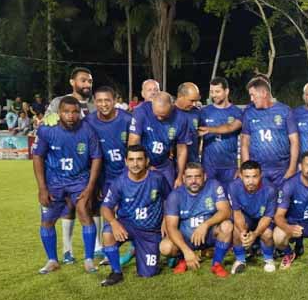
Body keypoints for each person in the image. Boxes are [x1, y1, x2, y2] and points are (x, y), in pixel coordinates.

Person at [31, 97, 102, 275]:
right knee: (47, 221)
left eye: (75, 112)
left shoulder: (88, 130)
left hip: (79, 181)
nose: (71, 116)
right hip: (54, 182)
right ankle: (52, 260)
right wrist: (42, 188)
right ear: (59, 113)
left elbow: (96, 158)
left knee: (85, 214)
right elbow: (38, 157)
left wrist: (89, 187)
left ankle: (88, 260)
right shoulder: (47, 130)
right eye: (66, 112)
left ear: (80, 113)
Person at [43, 67, 97, 263]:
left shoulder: (93, 106)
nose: (87, 85)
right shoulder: (59, 102)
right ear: (72, 82)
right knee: (66, 208)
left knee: (88, 207)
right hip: (60, 170)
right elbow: (46, 128)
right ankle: (67, 250)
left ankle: (94, 249)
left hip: (85, 167)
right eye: (83, 80)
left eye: (90, 81)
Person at [98, 145, 171, 287]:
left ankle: (141, 250)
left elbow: (170, 198)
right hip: (128, 226)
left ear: (147, 161)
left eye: (139, 159)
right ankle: (116, 272)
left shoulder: (157, 179)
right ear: (126, 161)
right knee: (108, 232)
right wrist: (114, 223)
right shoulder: (119, 182)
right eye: (131, 159)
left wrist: (165, 218)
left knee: (148, 274)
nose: (135, 164)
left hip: (150, 231)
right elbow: (106, 207)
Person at [85, 86, 135, 263]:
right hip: (105, 178)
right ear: (94, 102)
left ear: (115, 101)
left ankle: (136, 247)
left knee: (131, 212)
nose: (103, 104)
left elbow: (137, 147)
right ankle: (110, 251)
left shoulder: (128, 119)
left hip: (128, 175)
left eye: (107, 100)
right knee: (109, 213)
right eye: (99, 100)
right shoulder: (88, 122)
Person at [158, 163, 233, 278]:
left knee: (227, 226)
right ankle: (182, 258)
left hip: (208, 234)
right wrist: (186, 251)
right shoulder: (175, 195)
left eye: (197, 176)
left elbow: (226, 211)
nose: (193, 181)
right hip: (186, 238)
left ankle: (217, 264)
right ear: (183, 178)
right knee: (165, 247)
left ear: (205, 176)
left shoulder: (213, 186)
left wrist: (206, 225)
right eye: (189, 177)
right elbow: (171, 227)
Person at [240, 75, 297, 190]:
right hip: (258, 171)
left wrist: (292, 169)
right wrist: (246, 170)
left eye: (253, 95)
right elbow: (244, 143)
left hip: (281, 170)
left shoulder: (285, 111)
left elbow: (295, 141)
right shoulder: (249, 113)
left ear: (264, 93)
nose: (251, 99)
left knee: (282, 205)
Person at [127, 92, 191, 188]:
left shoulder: (181, 118)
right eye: (157, 114)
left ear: (172, 107)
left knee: (169, 194)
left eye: (163, 115)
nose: (159, 118)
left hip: (164, 164)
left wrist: (180, 176)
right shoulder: (141, 111)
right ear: (152, 104)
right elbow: (133, 141)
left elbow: (182, 148)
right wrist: (144, 166)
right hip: (142, 163)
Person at [198, 76, 244, 187]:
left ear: (226, 91)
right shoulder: (204, 112)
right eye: (212, 92)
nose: (214, 95)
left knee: (229, 201)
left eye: (217, 91)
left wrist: (241, 166)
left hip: (230, 167)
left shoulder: (237, 112)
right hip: (208, 167)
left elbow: (232, 129)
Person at [175, 82, 202, 163]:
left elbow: (199, 135)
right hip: (173, 164)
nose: (194, 104)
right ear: (180, 96)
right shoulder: (169, 113)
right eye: (191, 100)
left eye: (196, 101)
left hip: (193, 162)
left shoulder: (196, 112)